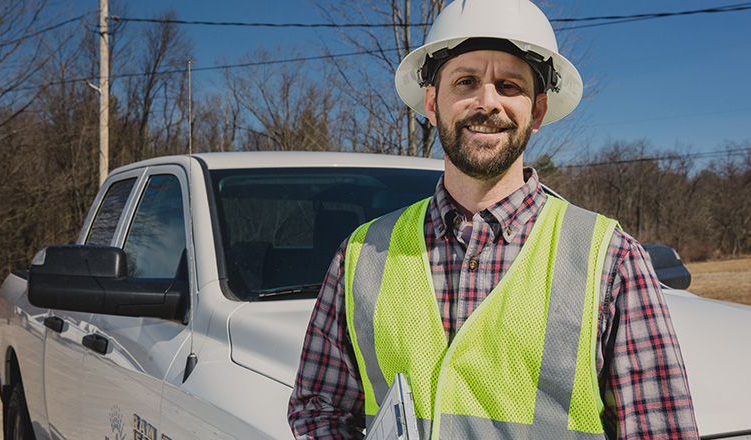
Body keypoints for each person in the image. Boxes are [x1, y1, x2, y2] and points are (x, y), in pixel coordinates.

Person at [288, 0, 700, 438]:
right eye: (466, 81)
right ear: (432, 102)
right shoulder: (361, 255)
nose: (487, 102)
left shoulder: (611, 259)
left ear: (537, 112)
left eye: (509, 85)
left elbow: (662, 431)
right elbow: (320, 409)